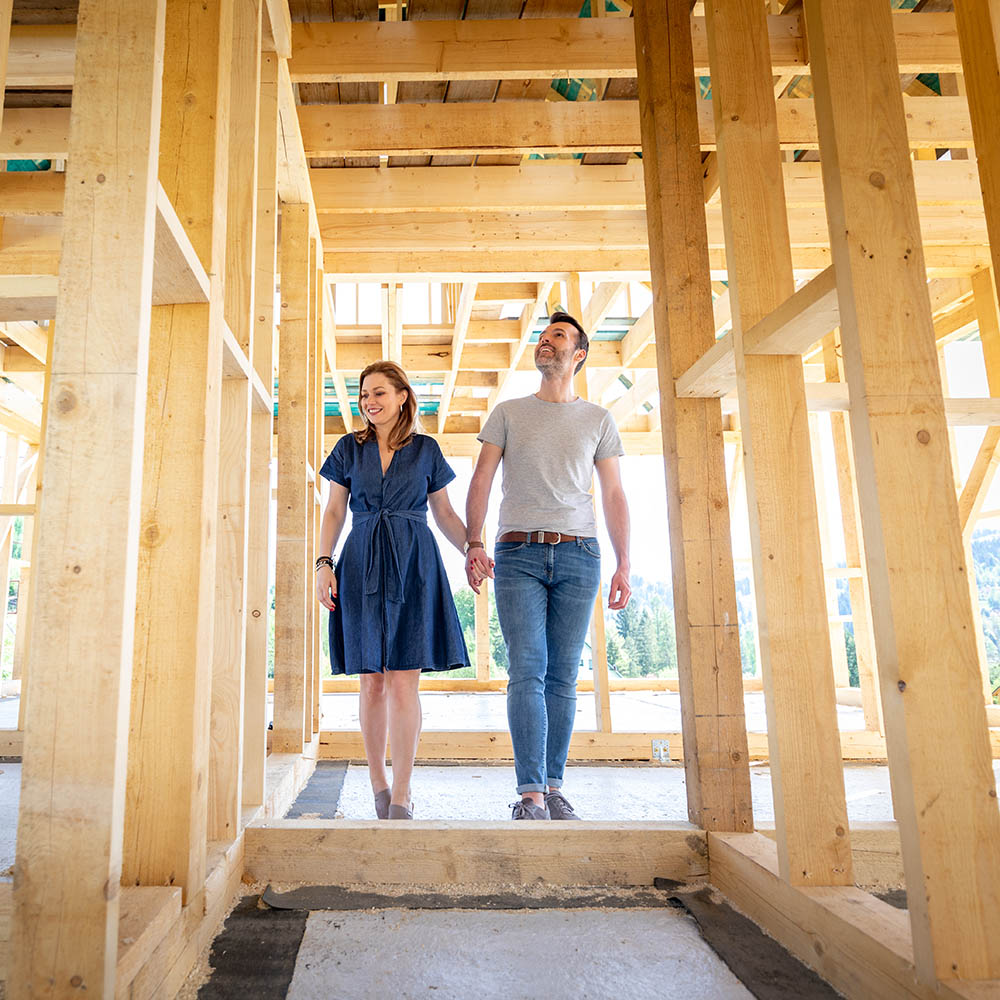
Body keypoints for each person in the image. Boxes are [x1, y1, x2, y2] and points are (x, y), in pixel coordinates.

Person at [465, 311, 632, 821]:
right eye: (542, 337)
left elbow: (614, 493)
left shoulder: (598, 419)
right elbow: (481, 479)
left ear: (578, 354)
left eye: (556, 336)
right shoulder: (509, 412)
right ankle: (531, 795)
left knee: (563, 675)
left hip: (581, 553)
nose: (545, 342)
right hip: (517, 554)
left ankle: (553, 788)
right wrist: (474, 541)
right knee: (527, 669)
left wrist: (625, 563)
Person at [316, 361, 471, 820]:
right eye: (364, 395)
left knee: (404, 681)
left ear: (403, 395)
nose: (370, 403)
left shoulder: (426, 449)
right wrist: (324, 563)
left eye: (379, 393)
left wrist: (473, 549)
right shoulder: (349, 448)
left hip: (414, 563)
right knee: (371, 682)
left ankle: (402, 794)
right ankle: (378, 785)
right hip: (360, 560)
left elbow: (443, 513)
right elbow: (333, 513)